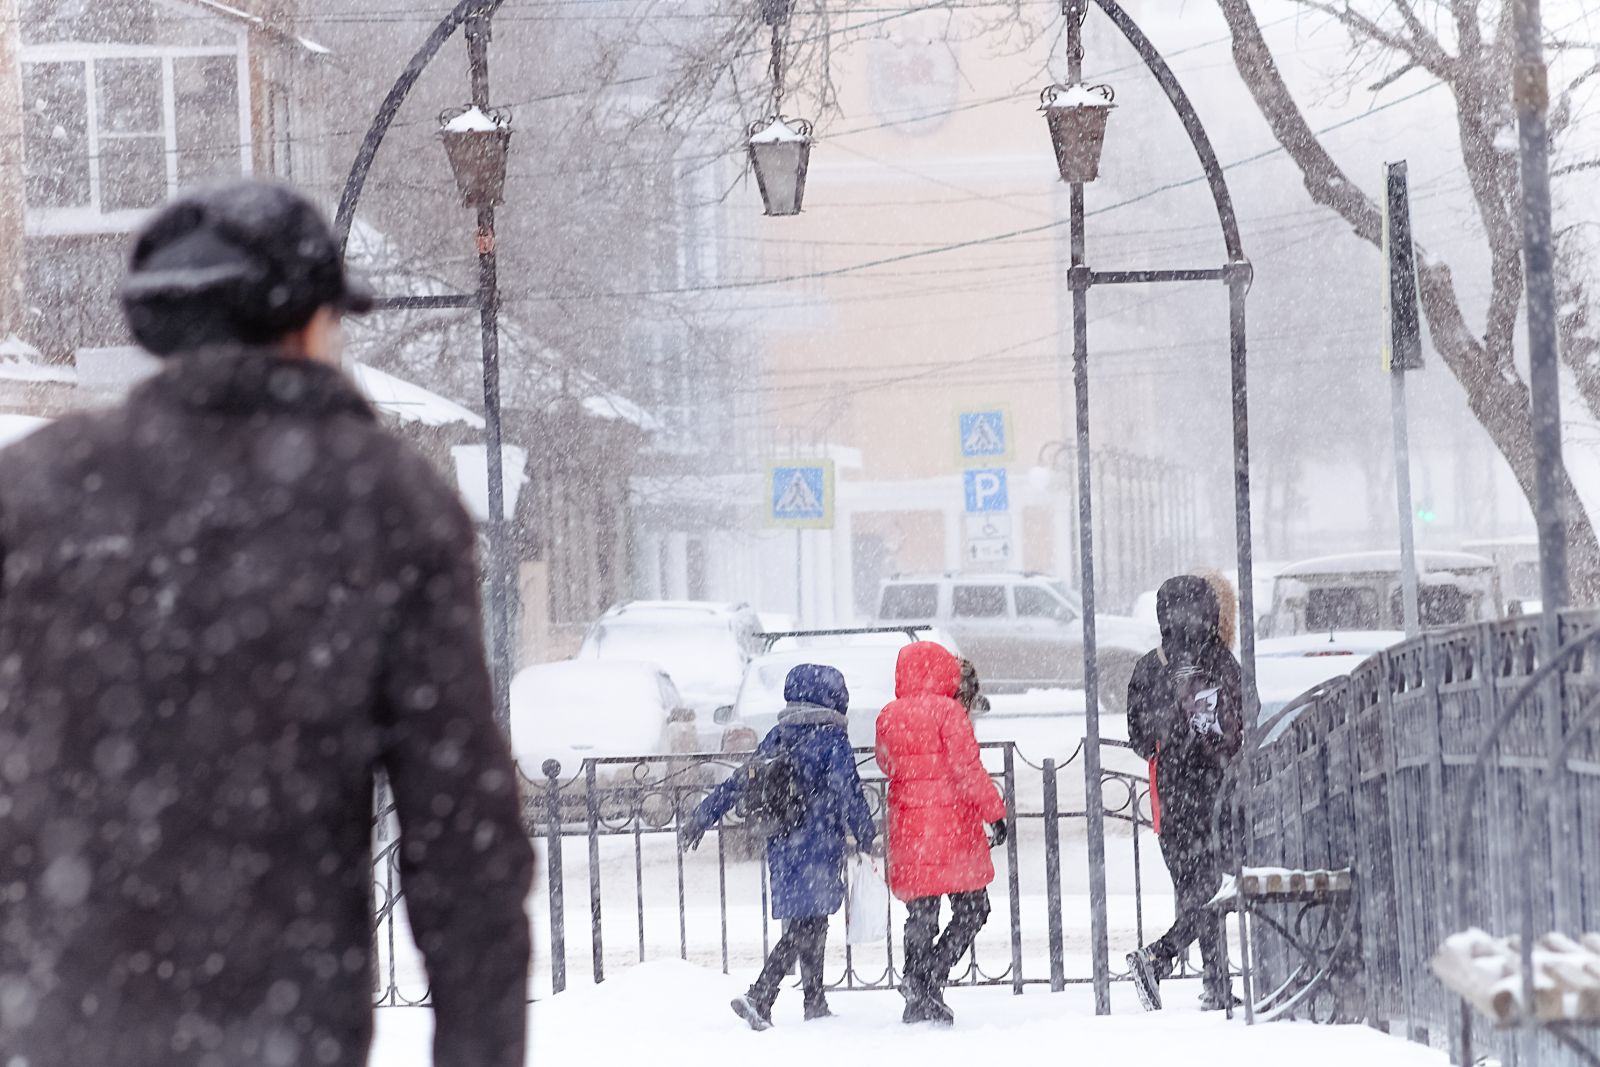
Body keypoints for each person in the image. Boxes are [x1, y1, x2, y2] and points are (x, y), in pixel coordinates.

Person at [0, 180, 535, 1067]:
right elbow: (462, 845)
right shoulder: (381, 500)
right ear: (311, 325)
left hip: (60, 1029)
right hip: (286, 1031)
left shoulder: (35, 495)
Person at [680, 663, 876, 1030]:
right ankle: (761, 996)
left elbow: (740, 781)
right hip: (818, 842)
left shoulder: (777, 736)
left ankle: (814, 1001)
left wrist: (703, 815)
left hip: (784, 843)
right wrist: (865, 834)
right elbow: (848, 792)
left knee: (811, 920)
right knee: (806, 924)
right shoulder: (831, 740)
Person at [1125, 574, 1244, 1013]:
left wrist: (1170, 745)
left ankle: (1204, 979)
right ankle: (1162, 959)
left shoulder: (1148, 667)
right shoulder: (1224, 665)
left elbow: (1138, 739)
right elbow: (1243, 724)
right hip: (1219, 795)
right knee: (1215, 890)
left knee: (1195, 890)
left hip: (1170, 801)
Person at [875, 642, 1007, 1026]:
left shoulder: (888, 714)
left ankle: (916, 986)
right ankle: (929, 977)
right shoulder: (949, 712)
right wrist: (995, 813)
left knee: (921, 914)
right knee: (973, 909)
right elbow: (967, 770)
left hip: (908, 827)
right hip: (951, 829)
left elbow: (887, 764)